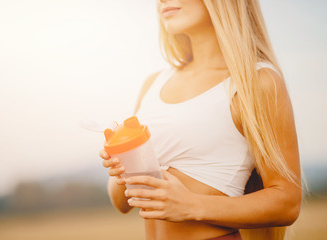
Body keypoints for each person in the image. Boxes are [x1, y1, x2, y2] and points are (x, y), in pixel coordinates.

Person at [99, 0, 302, 239]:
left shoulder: (256, 82)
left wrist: (191, 205)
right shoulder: (153, 84)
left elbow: (287, 203)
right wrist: (125, 166)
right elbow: (122, 204)